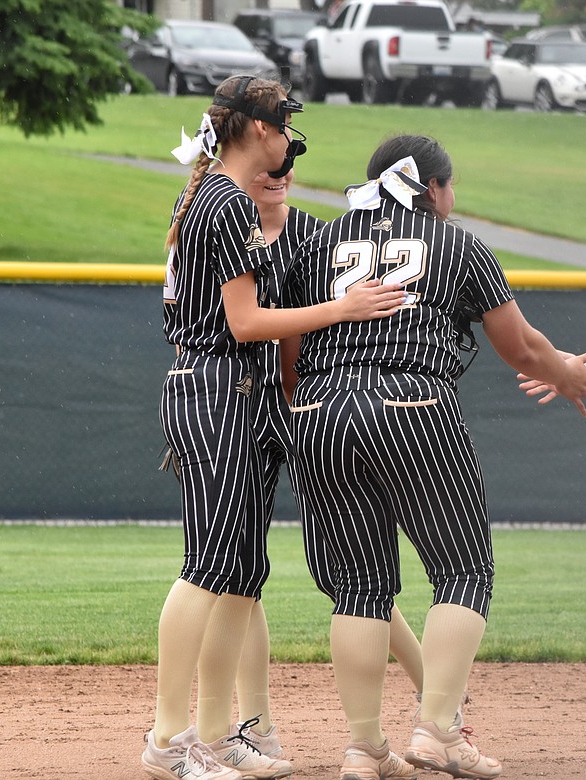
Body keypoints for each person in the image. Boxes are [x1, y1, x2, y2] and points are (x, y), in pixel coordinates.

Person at [279, 134, 586, 780]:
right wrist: (567, 373)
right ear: (431, 188)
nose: (451, 198)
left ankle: (361, 749)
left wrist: (321, 405)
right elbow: (519, 348)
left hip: (318, 409)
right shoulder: (457, 244)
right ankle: (436, 731)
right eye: (449, 186)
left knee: (358, 588)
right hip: (412, 401)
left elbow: (290, 351)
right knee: (464, 571)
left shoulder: (318, 242)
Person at [144, 74, 407, 780]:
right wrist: (342, 309)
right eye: (285, 124)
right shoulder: (226, 201)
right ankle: (168, 743)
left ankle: (215, 734)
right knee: (208, 567)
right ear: (259, 129)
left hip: (232, 387)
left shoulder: (210, 191)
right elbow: (245, 323)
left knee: (238, 570)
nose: (290, 137)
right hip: (218, 386)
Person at [203, 167, 427, 764]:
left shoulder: (314, 234)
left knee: (356, 571)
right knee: (237, 572)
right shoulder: (223, 225)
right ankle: (256, 727)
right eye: (268, 170)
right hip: (239, 402)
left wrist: (304, 396)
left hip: (303, 402)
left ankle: (439, 702)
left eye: (286, 170)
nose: (279, 178)